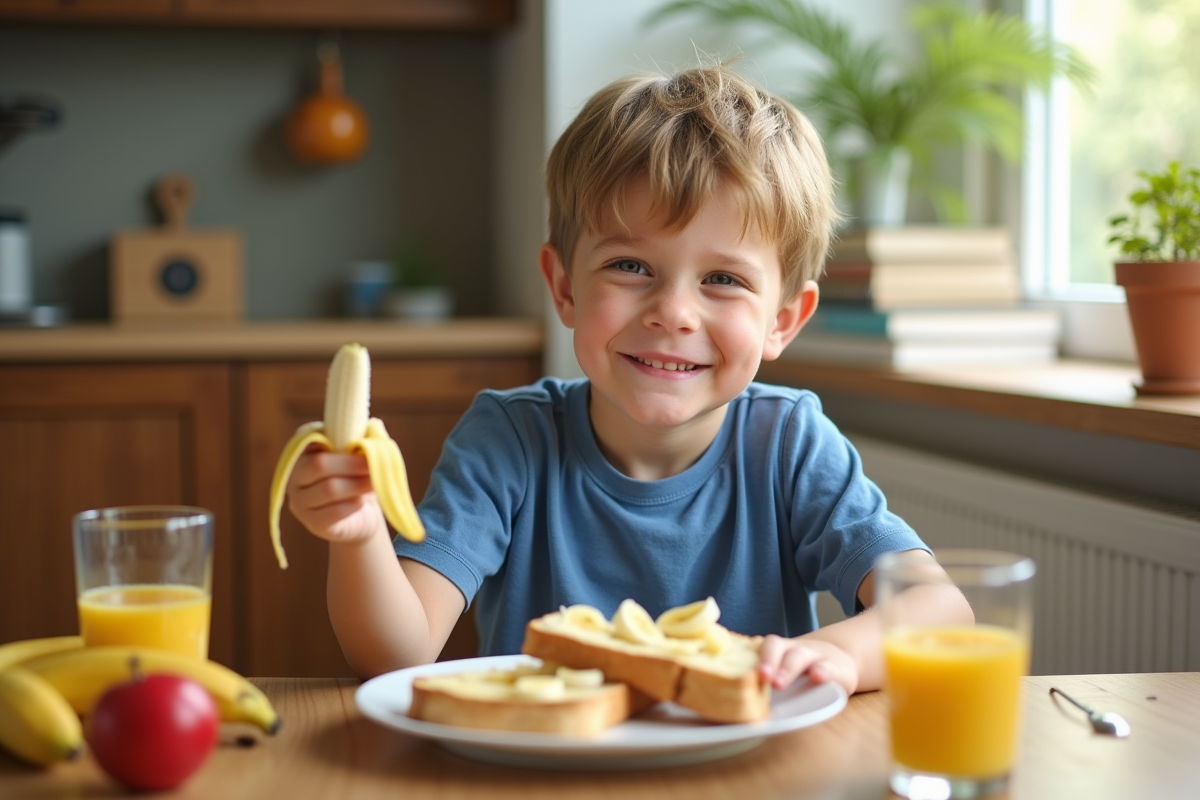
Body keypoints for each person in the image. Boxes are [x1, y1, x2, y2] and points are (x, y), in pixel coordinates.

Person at [285, 62, 970, 696]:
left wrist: (842, 654)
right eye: (630, 267)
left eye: (723, 280)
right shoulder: (508, 441)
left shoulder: (789, 444)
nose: (673, 313)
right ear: (564, 286)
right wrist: (361, 536)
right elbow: (396, 654)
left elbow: (940, 610)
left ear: (783, 320)